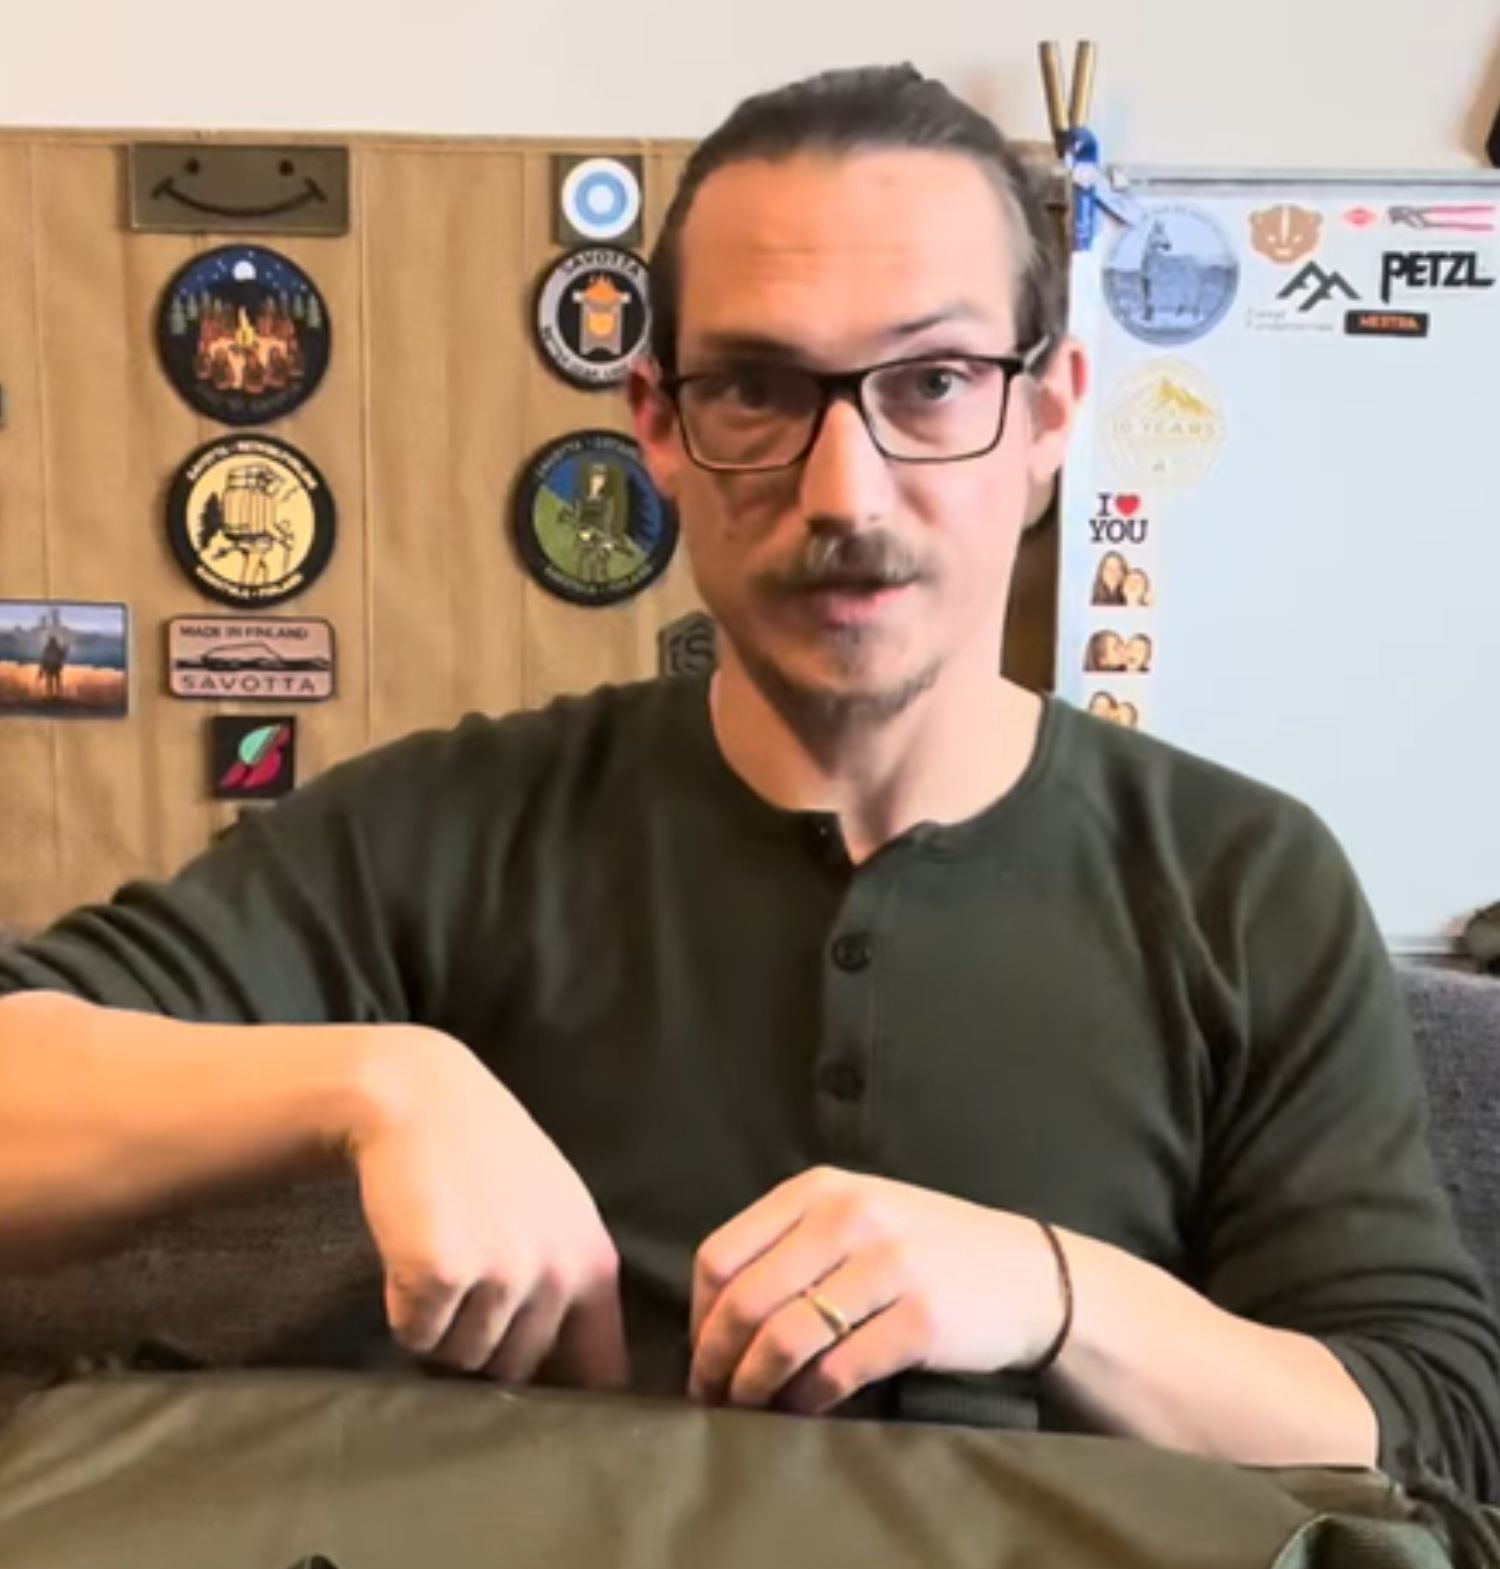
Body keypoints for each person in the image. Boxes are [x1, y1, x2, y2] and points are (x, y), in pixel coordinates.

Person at [1, 66, 1496, 1491]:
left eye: (932, 383)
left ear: (1047, 420)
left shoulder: (1245, 880)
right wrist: (378, 1081)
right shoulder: (458, 826)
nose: (843, 492)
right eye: (759, 393)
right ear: (657, 424)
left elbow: (1426, 1433)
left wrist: (1050, 1294)